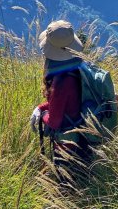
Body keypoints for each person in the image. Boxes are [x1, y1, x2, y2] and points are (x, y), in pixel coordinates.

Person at [30, 20, 90, 178]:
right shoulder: (80, 68)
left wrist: (43, 115)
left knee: (66, 182)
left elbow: (54, 121)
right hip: (82, 136)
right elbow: (62, 103)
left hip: (67, 144)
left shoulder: (62, 81)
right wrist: (42, 107)